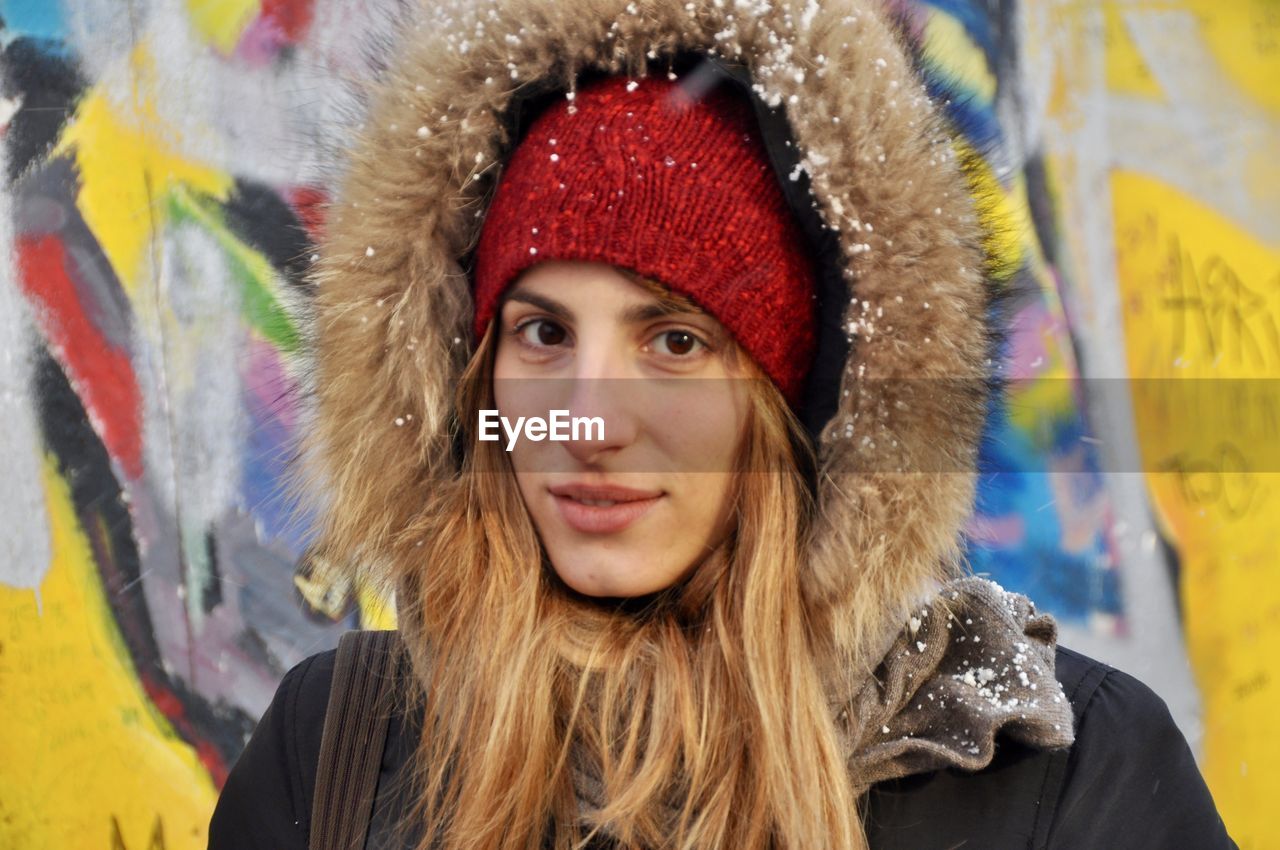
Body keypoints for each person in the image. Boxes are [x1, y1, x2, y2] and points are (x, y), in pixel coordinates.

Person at [209, 0, 1238, 848]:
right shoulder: (336, 755)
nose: (587, 420)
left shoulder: (1054, 779)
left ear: (792, 399)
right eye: (540, 333)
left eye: (674, 342)